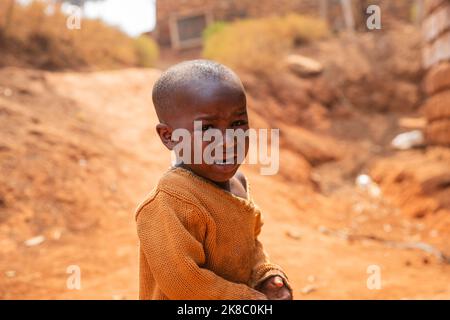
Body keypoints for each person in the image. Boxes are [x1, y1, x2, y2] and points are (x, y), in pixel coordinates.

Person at [135, 59, 292, 300]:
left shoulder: (237, 183)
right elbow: (184, 283)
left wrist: (265, 276)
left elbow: (249, 247)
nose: (228, 140)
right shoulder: (168, 203)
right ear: (168, 136)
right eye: (207, 128)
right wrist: (249, 299)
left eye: (238, 123)